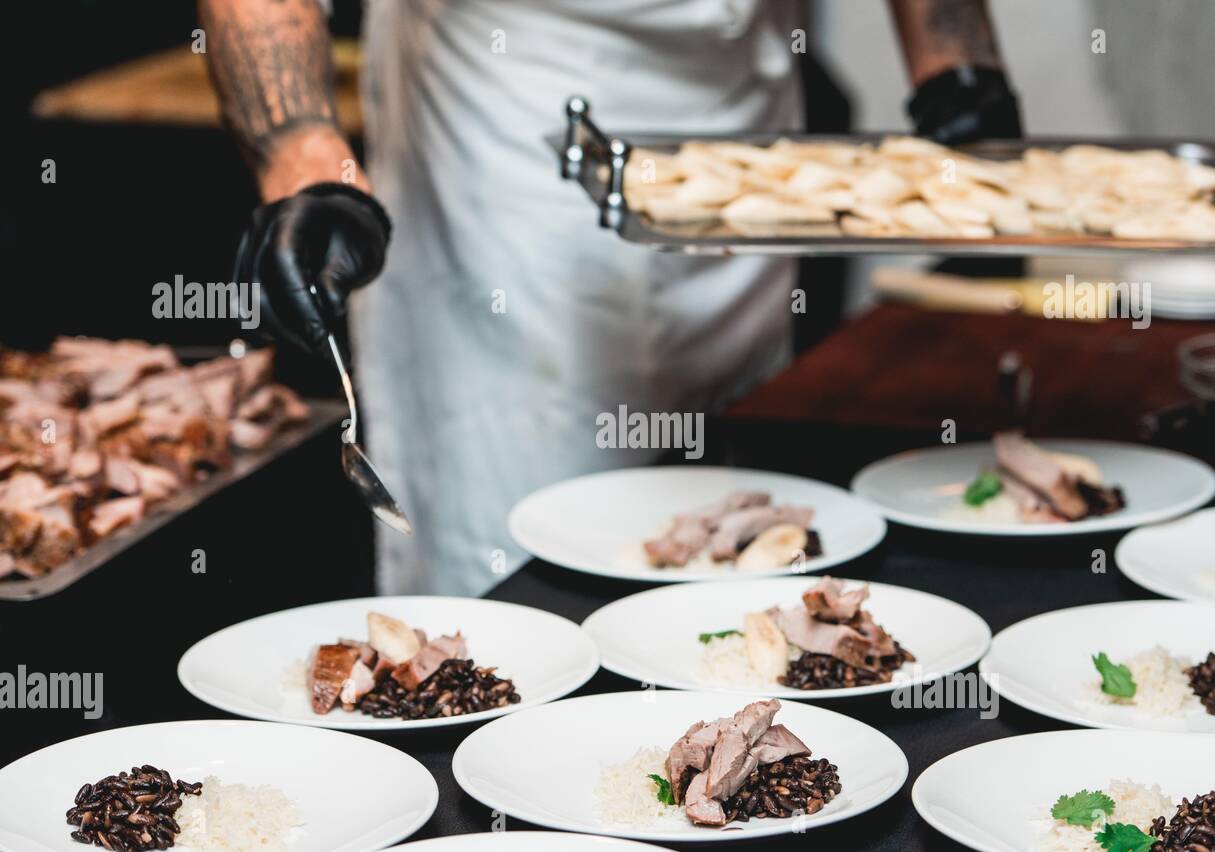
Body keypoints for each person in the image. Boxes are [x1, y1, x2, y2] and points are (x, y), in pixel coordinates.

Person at [199, 0, 1021, 596]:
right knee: (530, 581)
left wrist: (956, 63)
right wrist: (299, 154)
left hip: (740, 130)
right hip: (506, 130)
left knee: (741, 555)